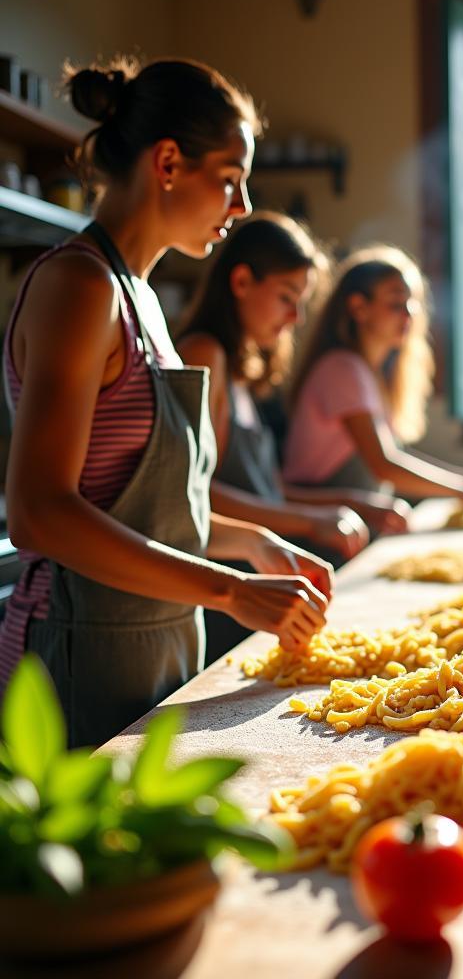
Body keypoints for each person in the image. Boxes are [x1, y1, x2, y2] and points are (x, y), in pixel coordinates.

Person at [0, 57, 332, 747]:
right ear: (170, 162)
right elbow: (39, 513)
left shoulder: (141, 298)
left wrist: (254, 544)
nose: (241, 208)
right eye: (232, 180)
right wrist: (232, 590)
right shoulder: (79, 285)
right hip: (74, 655)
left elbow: (142, 508)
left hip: (152, 646)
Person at [176, 212, 410, 552]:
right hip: (228, 570)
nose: (295, 318)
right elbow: (192, 491)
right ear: (241, 281)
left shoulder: (239, 371)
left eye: (300, 303)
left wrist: (353, 504)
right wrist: (310, 521)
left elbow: (270, 492)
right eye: (286, 298)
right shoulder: (203, 353)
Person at [283, 245, 463, 504]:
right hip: (317, 525)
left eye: (411, 303)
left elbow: (390, 457)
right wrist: (461, 487)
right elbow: (383, 465)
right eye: (396, 303)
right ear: (359, 307)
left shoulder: (370, 373)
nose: (409, 314)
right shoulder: (342, 368)